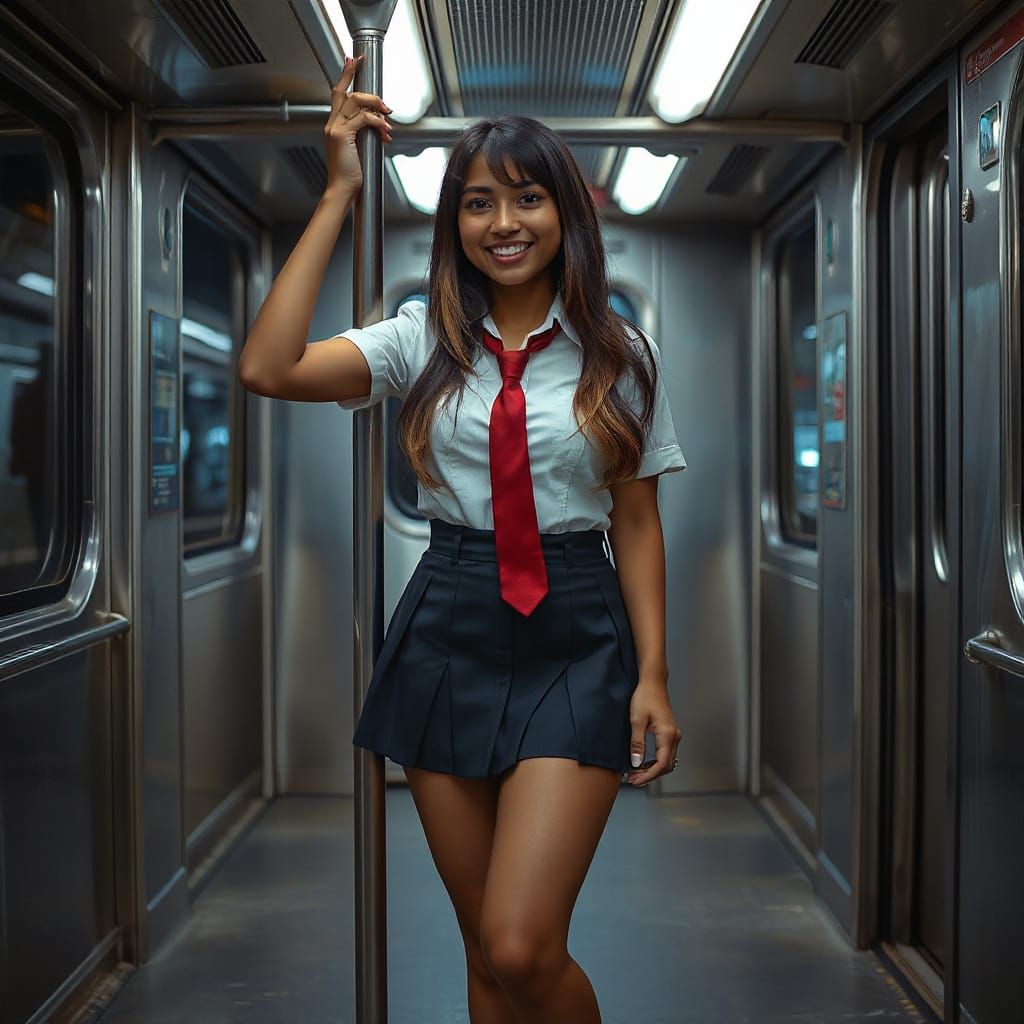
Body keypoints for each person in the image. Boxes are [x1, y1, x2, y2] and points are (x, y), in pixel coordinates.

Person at [239, 53, 686, 1024]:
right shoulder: (417, 341)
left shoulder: (620, 355)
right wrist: (335, 196)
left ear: (565, 212)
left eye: (526, 199)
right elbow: (268, 367)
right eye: (478, 204)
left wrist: (653, 675)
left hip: (575, 627)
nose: (504, 223)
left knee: (525, 944)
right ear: (455, 227)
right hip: (447, 625)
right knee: (483, 948)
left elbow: (639, 520)